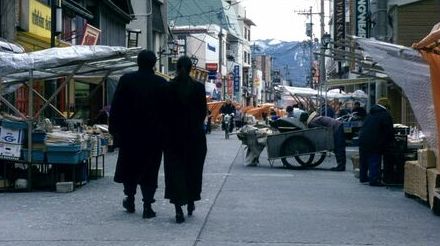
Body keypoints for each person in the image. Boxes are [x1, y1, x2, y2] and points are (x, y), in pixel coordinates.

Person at [109, 50, 166, 219]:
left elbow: (116, 107)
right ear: (154, 63)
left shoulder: (126, 80)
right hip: (153, 136)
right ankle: (148, 205)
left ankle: (131, 198)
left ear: (138, 62)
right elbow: (167, 112)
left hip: (130, 134)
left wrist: (114, 130)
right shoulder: (161, 83)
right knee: (151, 168)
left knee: (130, 167)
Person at [163, 56, 207, 223]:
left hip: (173, 138)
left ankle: (178, 209)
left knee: (175, 172)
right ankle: (190, 201)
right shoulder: (198, 88)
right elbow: (202, 113)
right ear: (191, 69)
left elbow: (164, 114)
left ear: (177, 67)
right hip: (195, 137)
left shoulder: (168, 87)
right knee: (193, 170)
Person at [358, 97, 394, 186]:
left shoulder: (370, 113)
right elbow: (388, 130)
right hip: (375, 141)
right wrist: (391, 140)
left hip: (363, 139)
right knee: (374, 159)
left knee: (364, 159)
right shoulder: (385, 114)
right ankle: (374, 179)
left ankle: (363, 177)